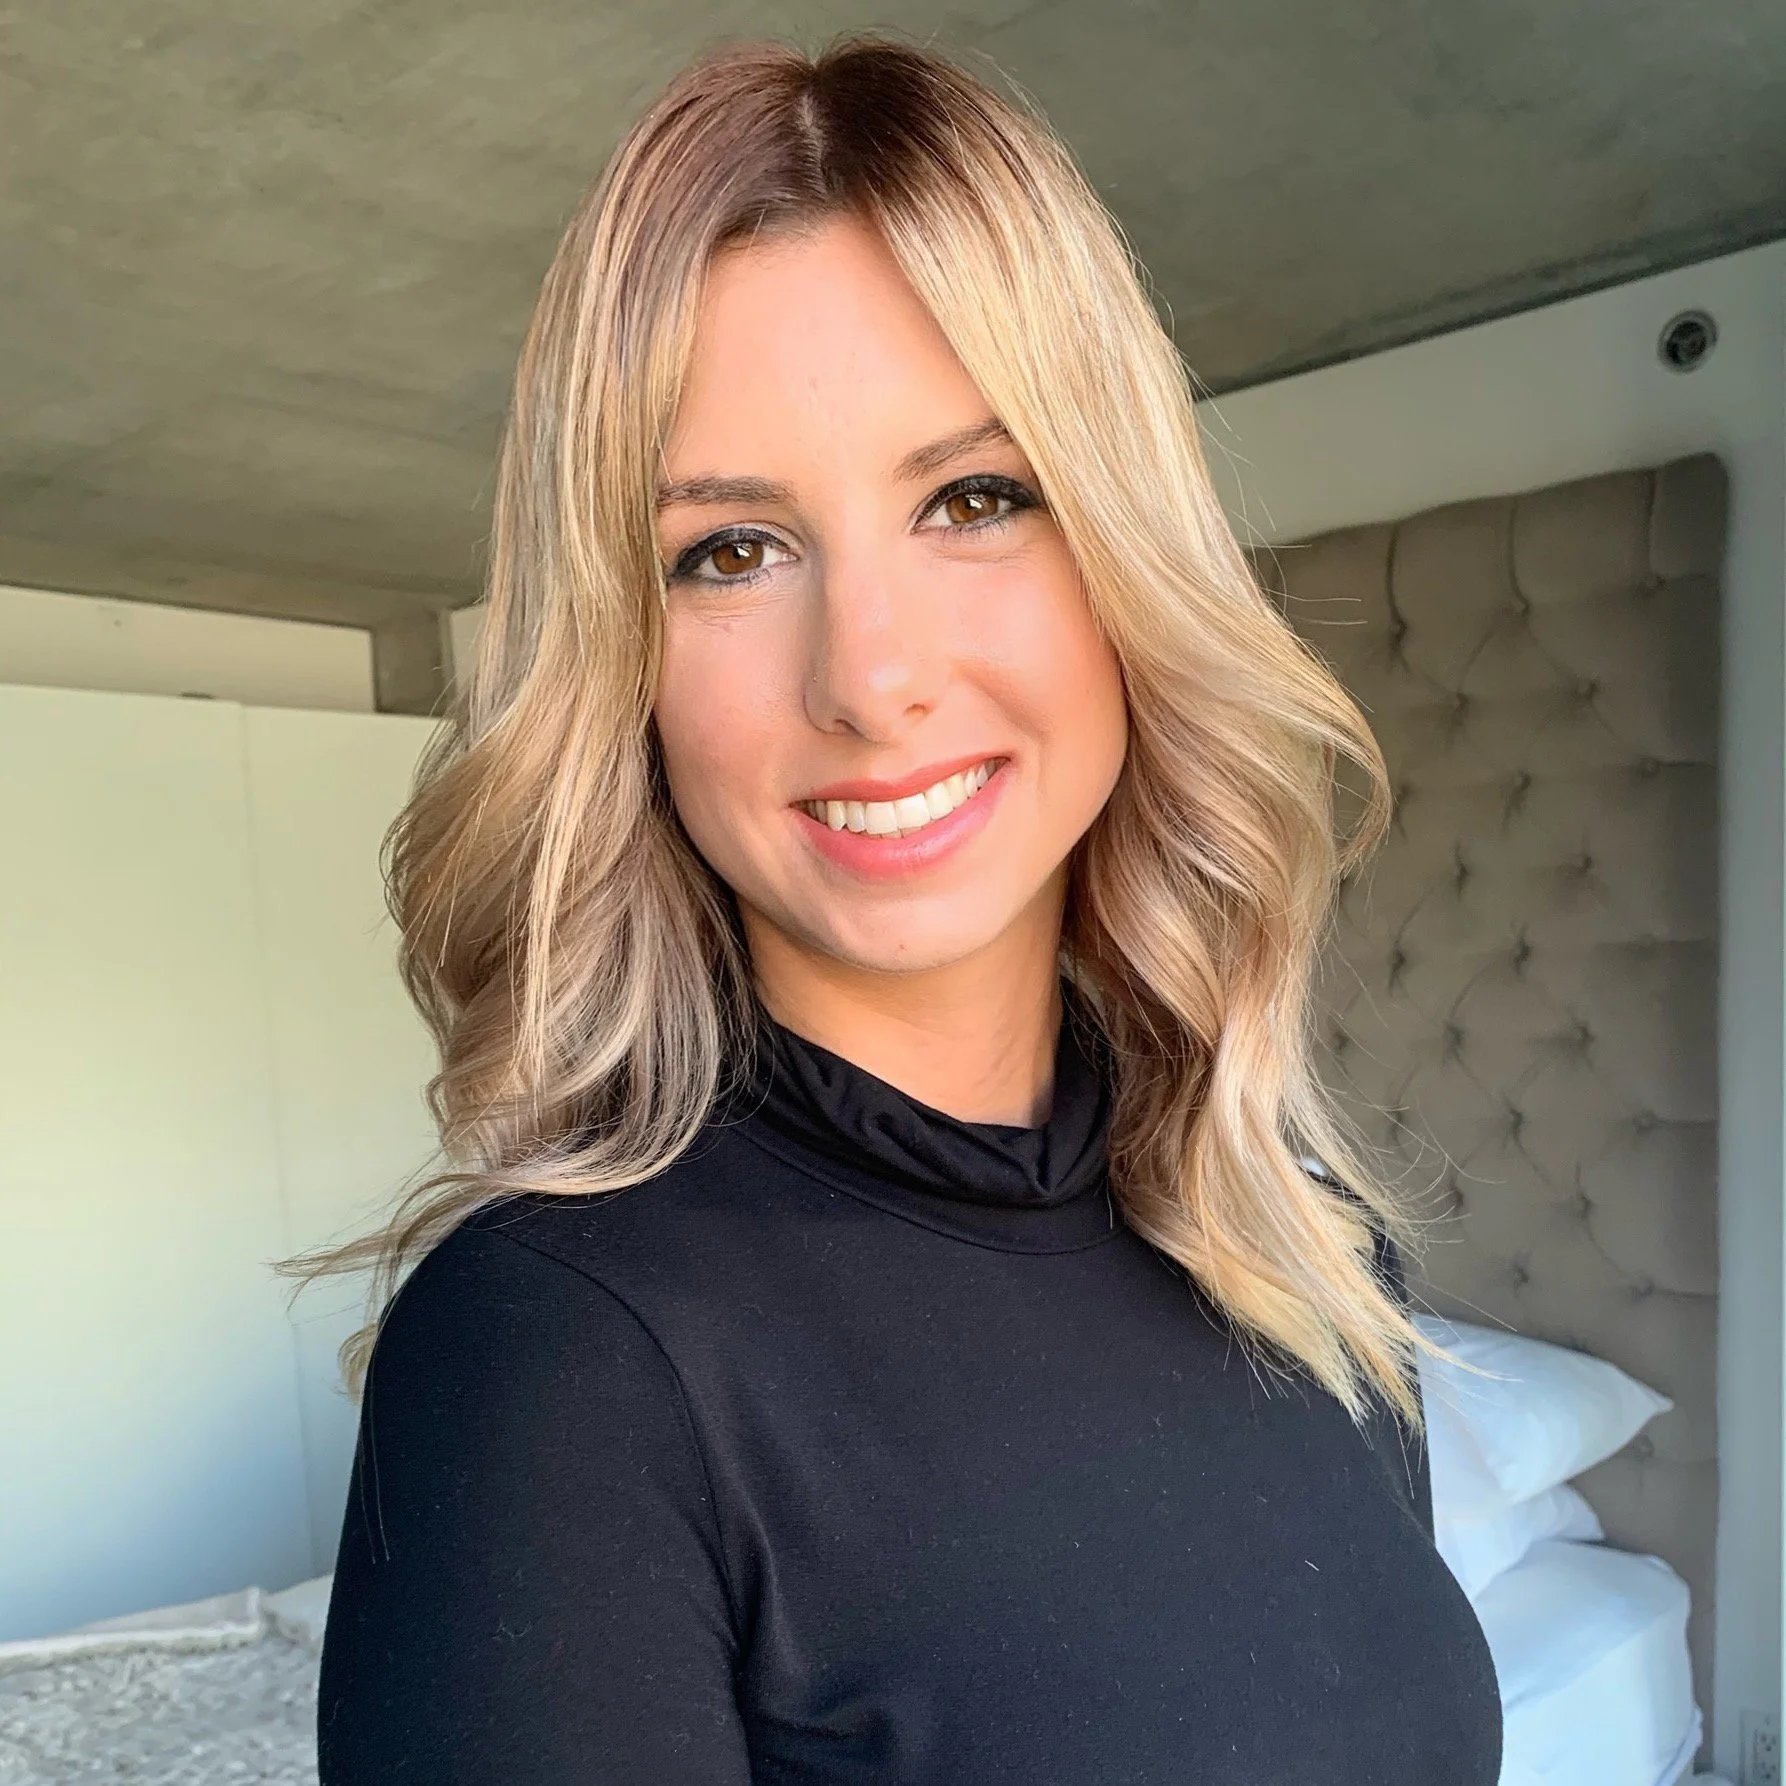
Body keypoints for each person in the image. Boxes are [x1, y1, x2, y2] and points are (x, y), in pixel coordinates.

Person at [305, 33, 1502, 1783]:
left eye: (975, 497)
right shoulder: (560, 1354)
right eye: (728, 548)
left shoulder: (1309, 1260)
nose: (867, 679)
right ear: (623, 668)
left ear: (1123, 562)